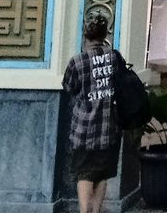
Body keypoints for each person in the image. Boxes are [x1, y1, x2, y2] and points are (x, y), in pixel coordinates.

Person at [62, 16, 121, 213]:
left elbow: (68, 87)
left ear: (85, 35)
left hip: (83, 130)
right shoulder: (113, 58)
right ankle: (96, 210)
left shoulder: (77, 61)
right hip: (108, 127)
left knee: (84, 173)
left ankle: (84, 210)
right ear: (105, 35)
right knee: (102, 173)